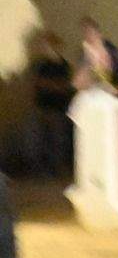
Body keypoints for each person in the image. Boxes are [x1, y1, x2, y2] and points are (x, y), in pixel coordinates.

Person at [27, 33, 74, 176]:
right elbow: (37, 83)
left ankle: (57, 170)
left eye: (46, 45)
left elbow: (63, 86)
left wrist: (49, 84)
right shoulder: (42, 65)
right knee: (38, 140)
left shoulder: (64, 66)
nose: (44, 49)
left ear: (55, 47)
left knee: (58, 140)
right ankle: (40, 170)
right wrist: (51, 84)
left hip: (57, 109)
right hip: (41, 107)